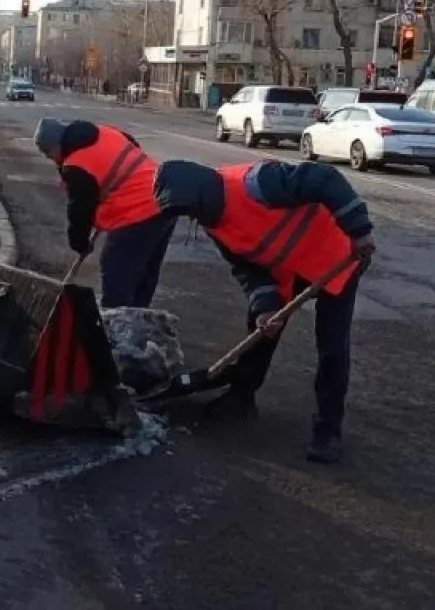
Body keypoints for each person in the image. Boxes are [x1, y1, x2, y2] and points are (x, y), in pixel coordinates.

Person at [144, 157, 376, 463]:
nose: (194, 220)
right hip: (288, 270)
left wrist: (359, 230)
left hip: (337, 256)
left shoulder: (257, 184)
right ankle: (242, 396)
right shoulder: (215, 224)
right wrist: (265, 307)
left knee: (332, 344)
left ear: (201, 196)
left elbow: (324, 177)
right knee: (260, 329)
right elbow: (248, 271)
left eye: (191, 211)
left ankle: (328, 429)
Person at [32, 119, 177, 308]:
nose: (50, 159)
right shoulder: (104, 132)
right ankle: (137, 323)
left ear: (56, 146)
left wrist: (80, 243)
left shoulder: (76, 165)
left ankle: (115, 327)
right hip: (166, 200)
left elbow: (79, 211)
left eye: (48, 153)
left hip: (139, 212)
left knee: (116, 272)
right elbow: (132, 146)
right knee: (144, 274)